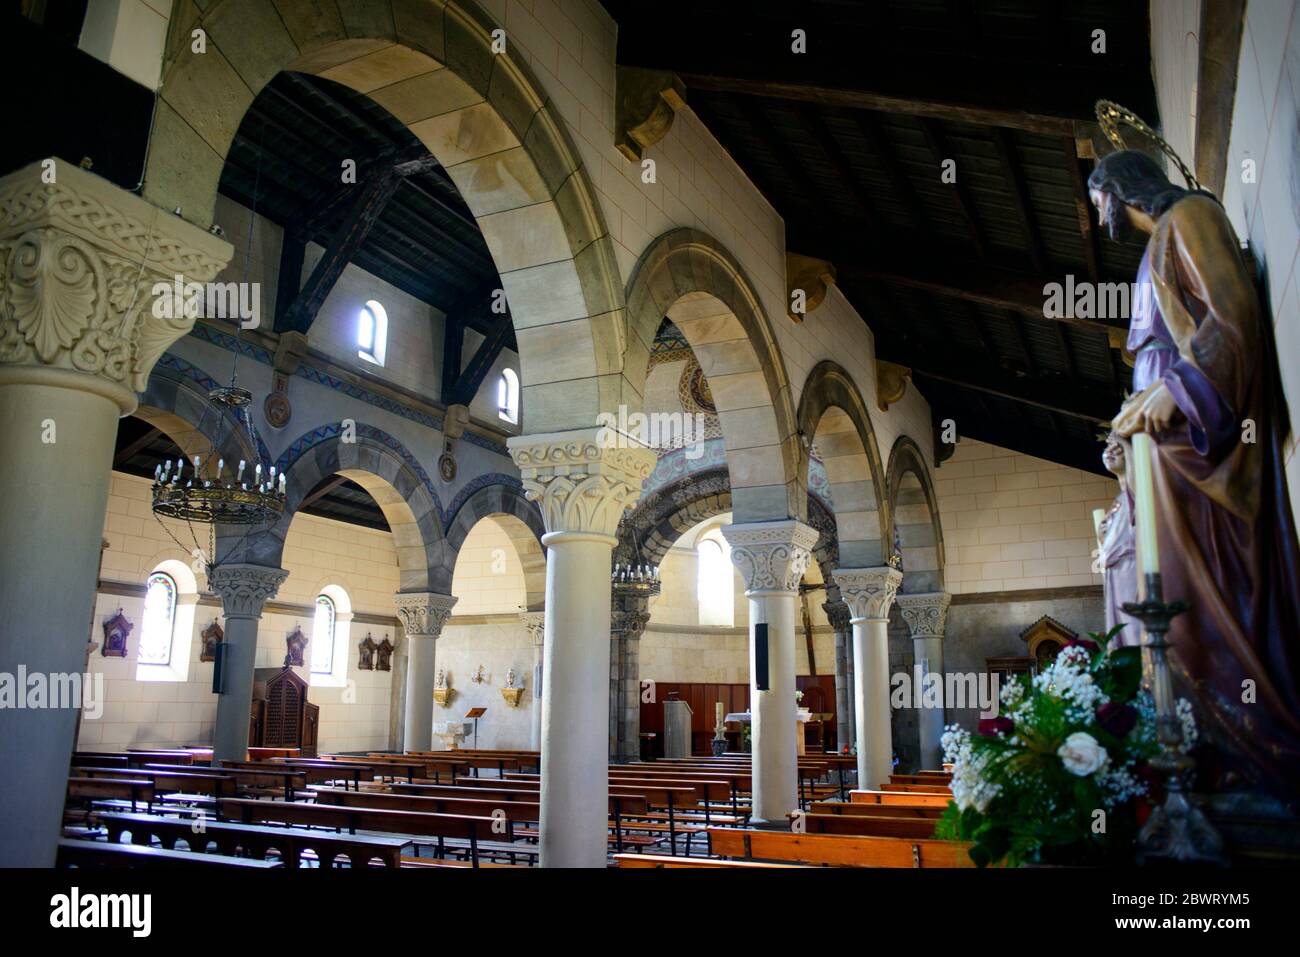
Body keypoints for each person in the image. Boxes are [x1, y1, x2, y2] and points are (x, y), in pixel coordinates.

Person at [1089, 149, 1300, 796]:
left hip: (1204, 448)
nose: (1100, 218)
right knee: (1134, 560)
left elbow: (1232, 320)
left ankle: (1239, 733)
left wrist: (1175, 394)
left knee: (1188, 596)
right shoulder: (1164, 242)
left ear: (1124, 189)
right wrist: (1131, 429)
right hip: (1172, 439)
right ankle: (1195, 735)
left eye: (1100, 200)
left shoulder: (1191, 217)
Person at [1096, 433, 1140, 647]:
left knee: (1134, 633)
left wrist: (1126, 439)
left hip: (1131, 570)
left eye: (1117, 447)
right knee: (1121, 636)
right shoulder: (1120, 500)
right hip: (1116, 574)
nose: (1109, 452)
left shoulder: (1139, 490)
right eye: (1107, 447)